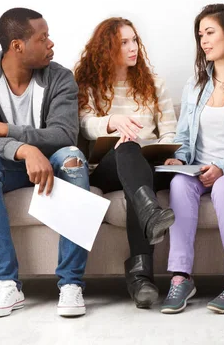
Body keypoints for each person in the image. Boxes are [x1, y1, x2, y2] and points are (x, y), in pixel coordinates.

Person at [0, 8, 90, 318]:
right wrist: (25, 150)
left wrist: (5, 129)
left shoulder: (59, 76)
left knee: (73, 159)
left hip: (53, 164)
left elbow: (63, 134)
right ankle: (7, 284)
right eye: (42, 38)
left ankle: (71, 283)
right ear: (17, 46)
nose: (51, 44)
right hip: (7, 166)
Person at [161, 4, 224, 314]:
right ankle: (181, 278)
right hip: (198, 167)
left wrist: (223, 167)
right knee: (179, 184)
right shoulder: (195, 86)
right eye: (200, 34)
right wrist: (178, 159)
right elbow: (182, 138)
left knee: (223, 188)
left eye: (210, 32)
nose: (203, 40)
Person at [74, 17, 178, 308]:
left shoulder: (153, 83)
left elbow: (169, 129)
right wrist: (113, 123)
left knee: (138, 185)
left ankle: (141, 280)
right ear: (107, 48)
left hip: (149, 165)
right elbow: (84, 125)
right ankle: (140, 274)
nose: (133, 47)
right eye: (124, 42)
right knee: (127, 146)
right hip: (108, 167)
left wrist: (172, 154)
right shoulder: (90, 84)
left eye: (134, 40)